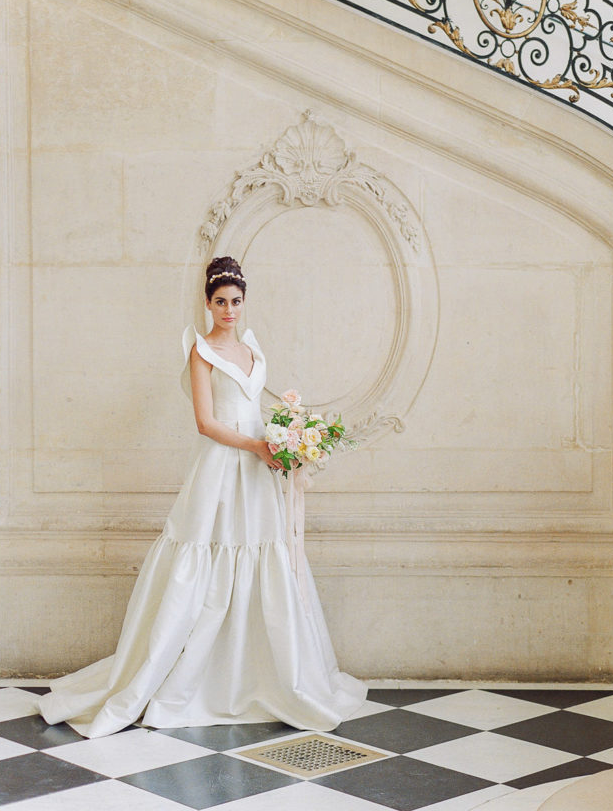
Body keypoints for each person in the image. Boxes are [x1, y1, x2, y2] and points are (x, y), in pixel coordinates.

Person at [37, 256, 366, 738]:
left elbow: (254, 409)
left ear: (244, 302)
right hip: (222, 467)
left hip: (258, 469)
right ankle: (185, 681)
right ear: (207, 303)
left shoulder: (252, 348)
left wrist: (285, 440)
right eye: (220, 302)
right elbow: (206, 423)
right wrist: (258, 446)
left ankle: (260, 676)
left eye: (236, 301)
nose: (229, 310)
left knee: (261, 552)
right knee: (209, 554)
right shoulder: (201, 351)